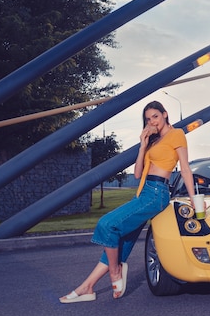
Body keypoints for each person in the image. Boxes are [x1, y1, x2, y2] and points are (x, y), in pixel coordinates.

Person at [60, 101, 197, 303]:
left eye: (155, 117)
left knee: (107, 224)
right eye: (148, 119)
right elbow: (138, 172)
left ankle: (115, 271)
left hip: (156, 194)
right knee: (119, 242)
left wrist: (194, 199)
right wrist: (143, 145)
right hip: (143, 192)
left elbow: (185, 168)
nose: (152, 121)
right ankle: (87, 287)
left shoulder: (176, 135)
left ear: (165, 115)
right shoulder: (153, 141)